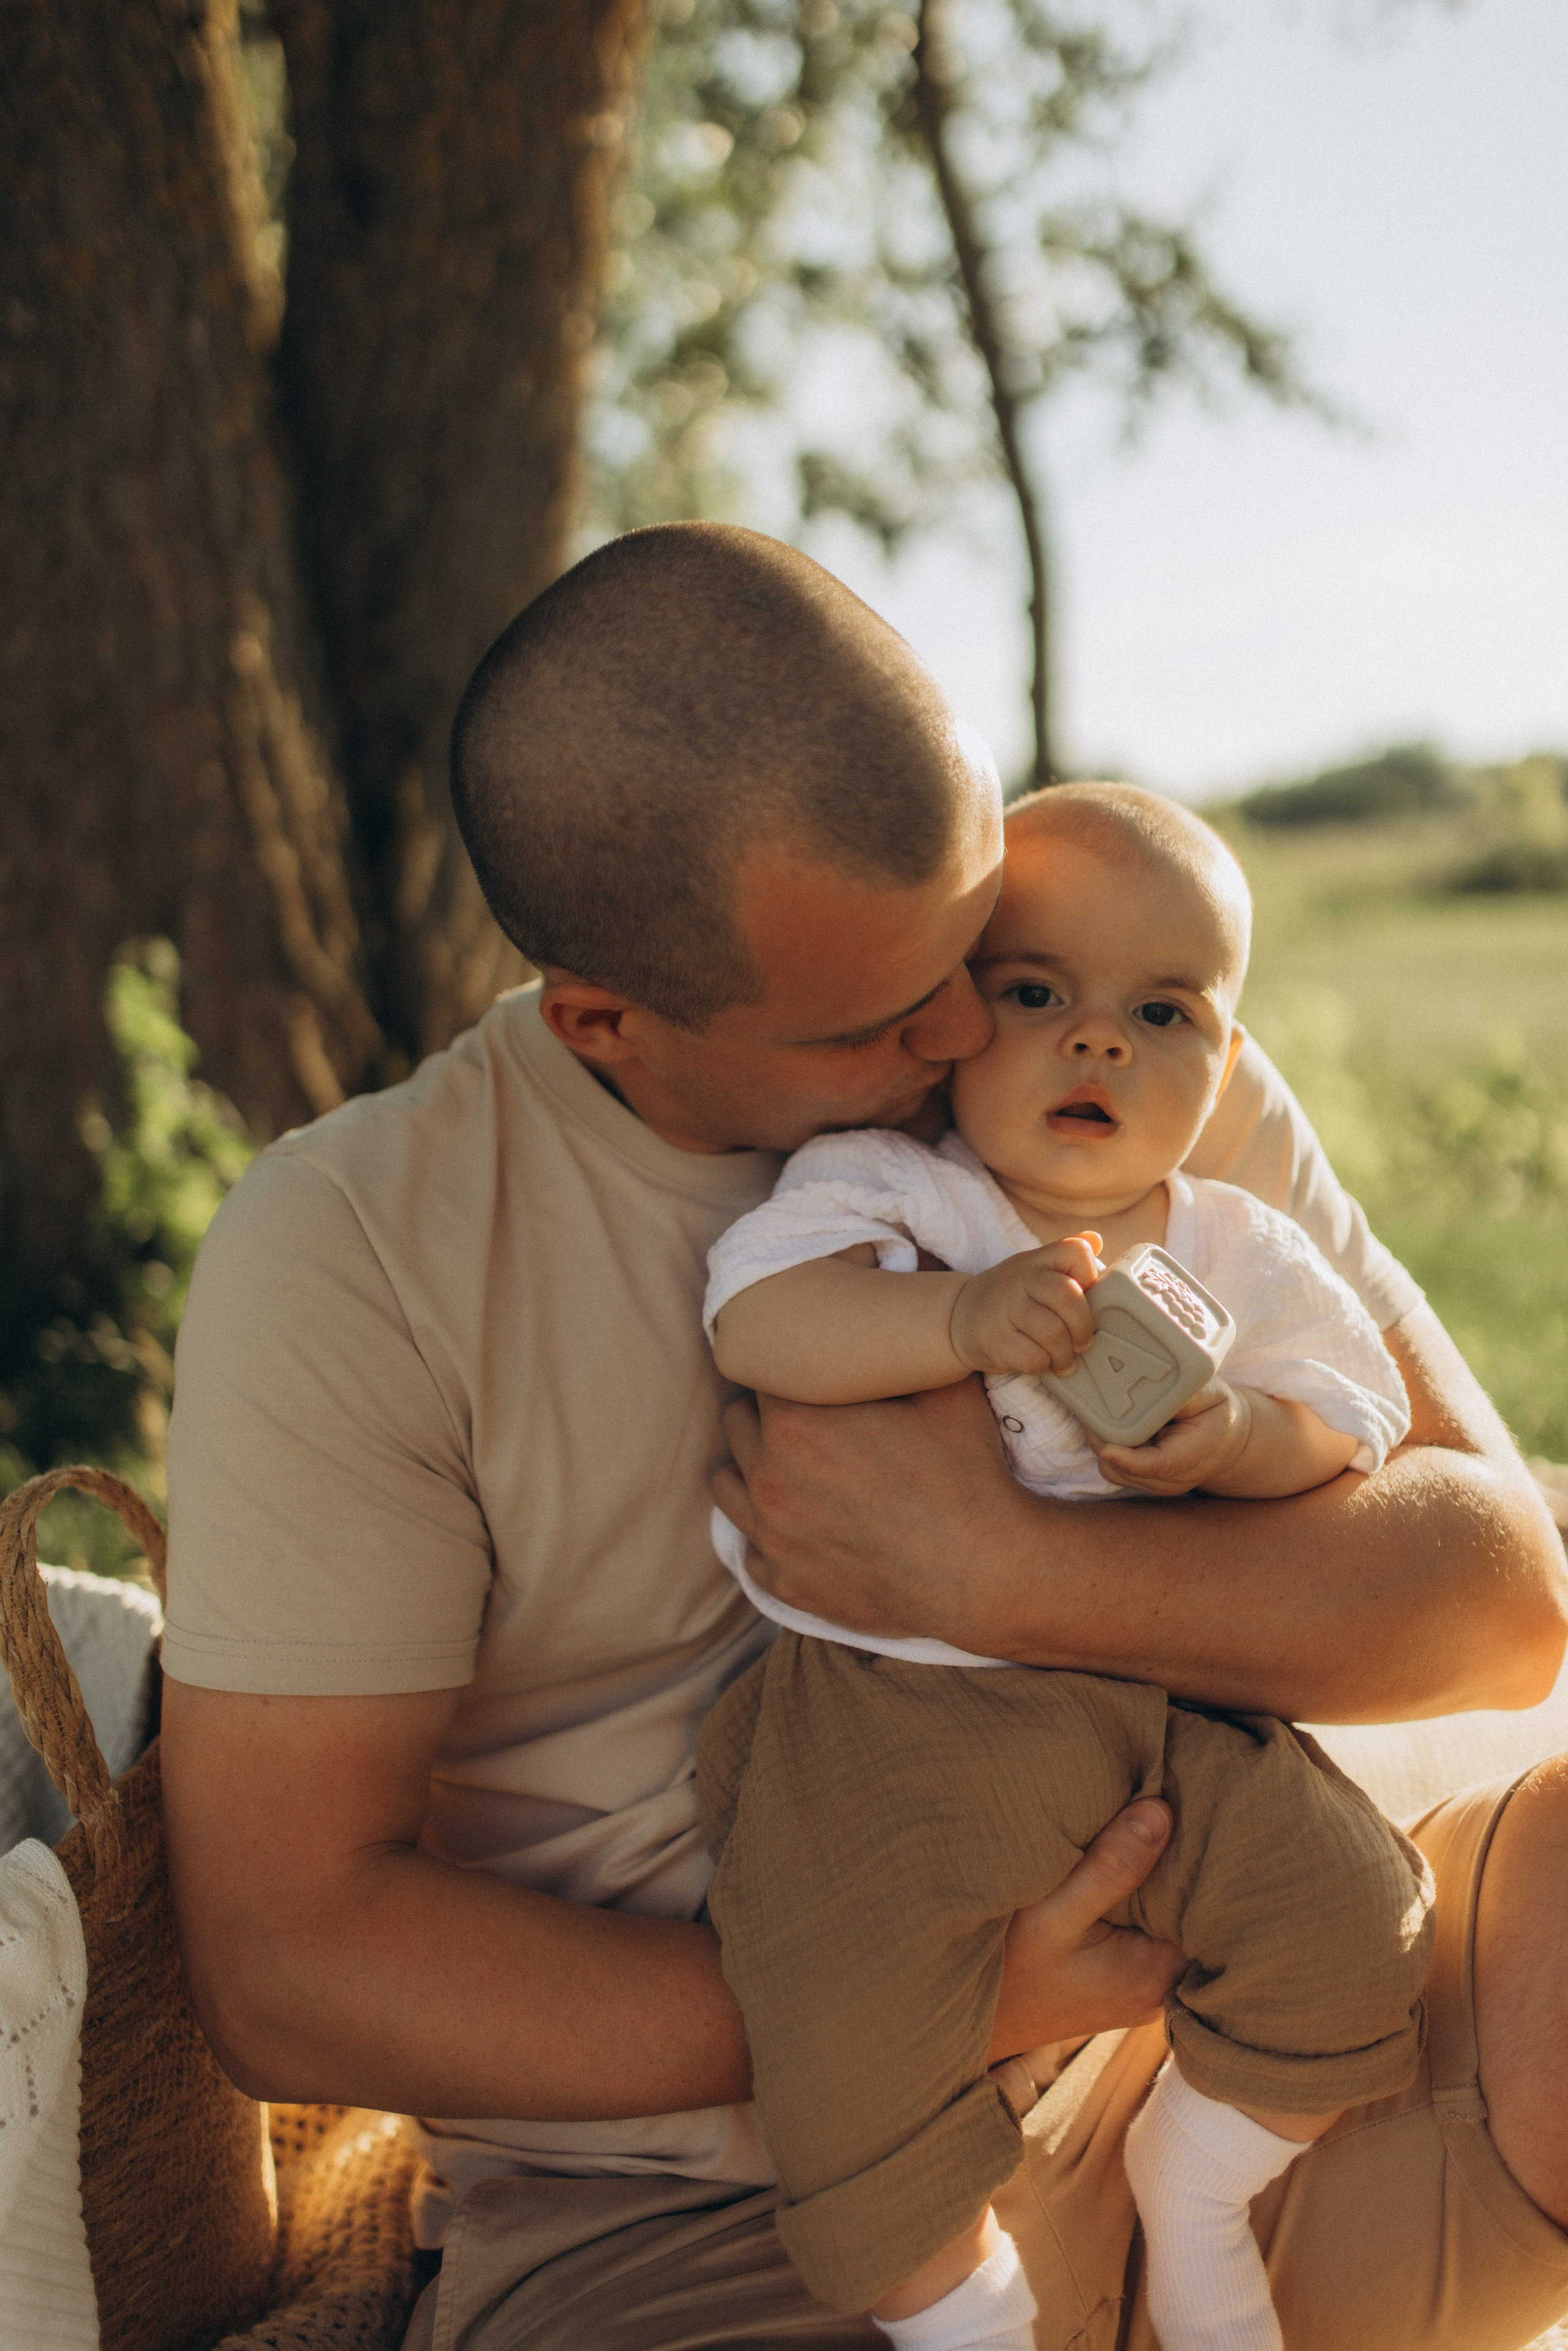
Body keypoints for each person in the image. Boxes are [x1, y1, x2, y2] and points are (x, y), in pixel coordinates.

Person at [156, 523, 1568, 2351]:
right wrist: (928, 2001)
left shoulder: (1106, 1042)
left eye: (977, 935)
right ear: (610, 1022)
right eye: (886, 1013)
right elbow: (289, 1957)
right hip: (718, 2225)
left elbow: (1504, 1603)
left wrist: (1017, 1570)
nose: (982, 1021)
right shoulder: (364, 1251)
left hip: (1226, 2061)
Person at [697, 782, 1433, 2351]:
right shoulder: (901, 1192)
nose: (1094, 1042)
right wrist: (952, 1319)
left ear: (1219, 1064)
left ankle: (1200, 2169)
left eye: (1158, 1011)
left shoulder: (1232, 1246)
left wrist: (1234, 1434)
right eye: (1036, 993)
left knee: (1354, 1920)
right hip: (899, 1717)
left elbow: (1356, 1411)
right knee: (834, 2018)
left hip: (1163, 1704)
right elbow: (755, 1317)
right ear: (954, 1018)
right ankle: (950, 2300)